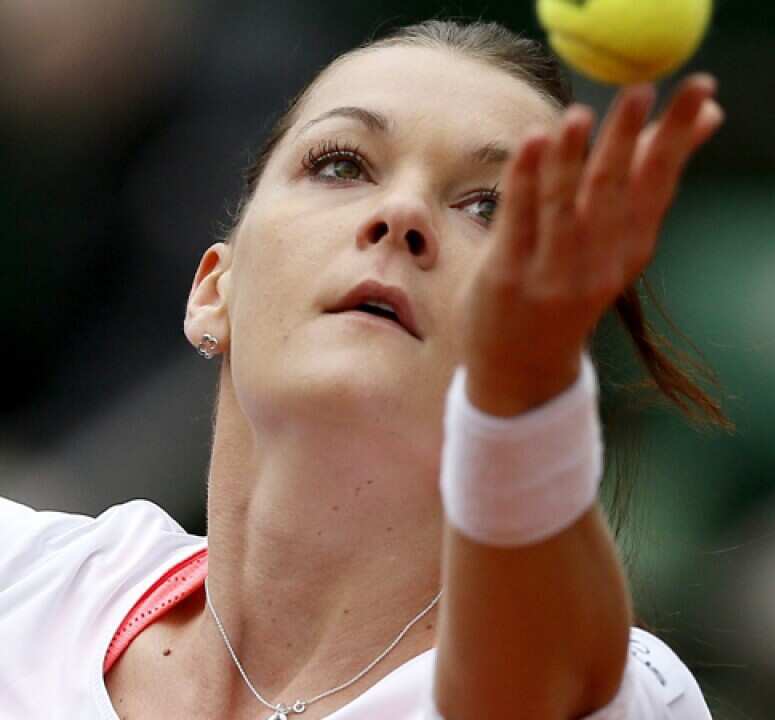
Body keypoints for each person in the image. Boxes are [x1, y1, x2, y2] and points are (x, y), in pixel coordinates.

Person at [0, 19, 728, 719]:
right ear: (213, 290)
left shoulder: (618, 692)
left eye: (490, 210)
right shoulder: (22, 582)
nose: (404, 211)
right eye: (340, 164)